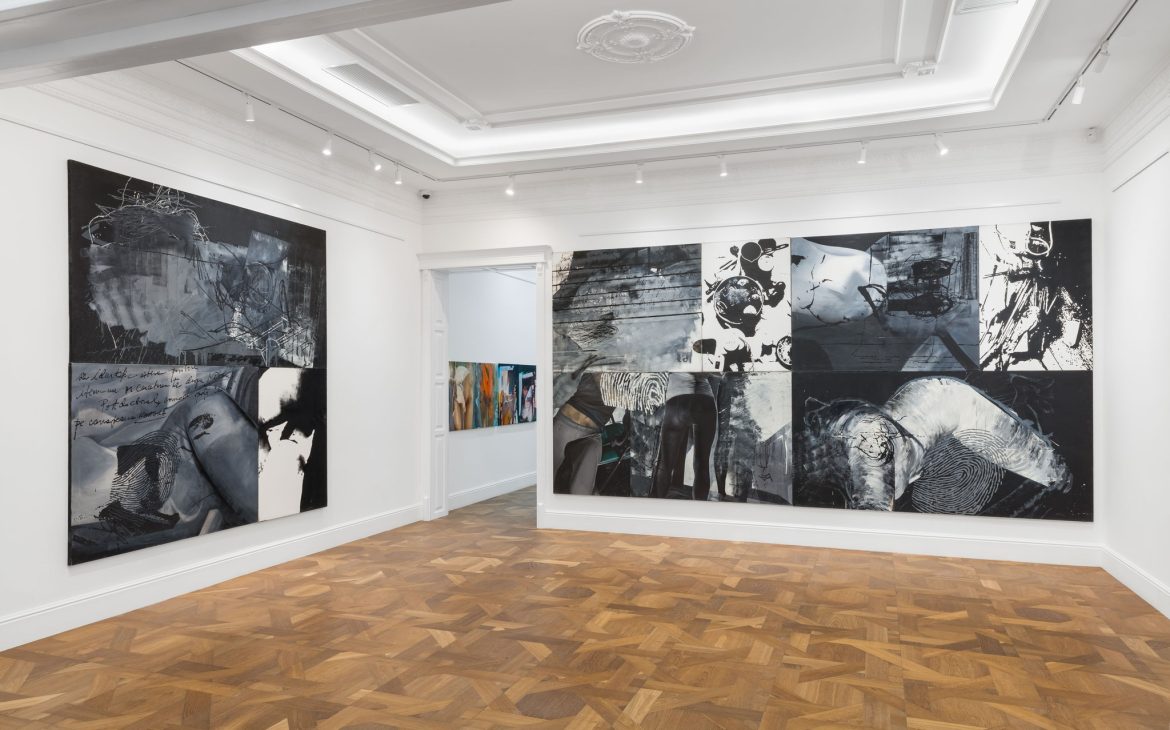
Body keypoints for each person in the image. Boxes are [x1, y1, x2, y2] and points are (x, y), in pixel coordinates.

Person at [650, 373, 720, 499]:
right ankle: (700, 507)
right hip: (706, 401)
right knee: (702, 465)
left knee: (665, 465)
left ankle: (656, 506)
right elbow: (717, 373)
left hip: (678, 399)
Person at [553, 372, 614, 495]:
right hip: (566, 424)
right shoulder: (596, 367)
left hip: (592, 434)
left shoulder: (631, 379)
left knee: (581, 492)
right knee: (548, 479)